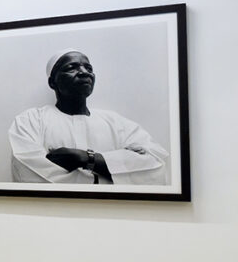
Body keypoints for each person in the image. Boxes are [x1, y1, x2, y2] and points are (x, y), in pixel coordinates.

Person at [9, 49, 168, 184]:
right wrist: (107, 173)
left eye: (88, 68)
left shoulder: (116, 123)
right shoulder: (31, 120)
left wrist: (87, 158)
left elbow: (155, 163)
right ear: (52, 82)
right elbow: (26, 168)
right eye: (71, 67)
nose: (84, 72)